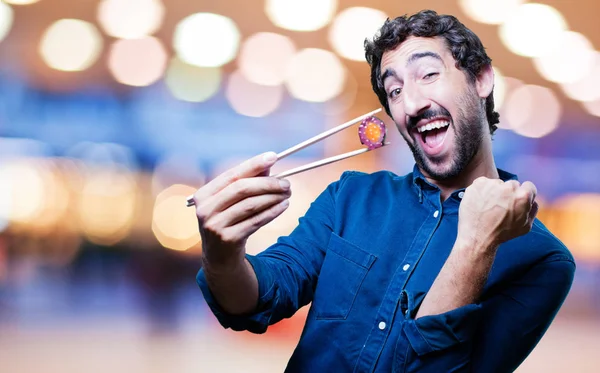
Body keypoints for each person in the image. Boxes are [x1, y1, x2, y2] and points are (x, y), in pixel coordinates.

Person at [191, 10, 575, 373]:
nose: (410, 104)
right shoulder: (350, 197)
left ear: (481, 79)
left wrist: (476, 245)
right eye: (394, 91)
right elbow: (257, 299)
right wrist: (222, 254)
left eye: (428, 74)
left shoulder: (542, 258)